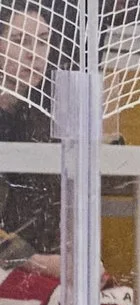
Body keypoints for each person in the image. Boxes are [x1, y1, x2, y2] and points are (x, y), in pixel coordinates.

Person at [0, 4, 58, 276]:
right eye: (19, 40)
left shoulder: (42, 118)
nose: (33, 54)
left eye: (43, 41)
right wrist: (37, 262)